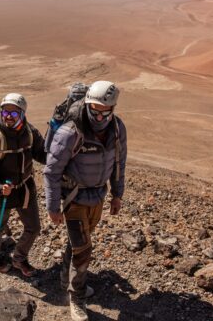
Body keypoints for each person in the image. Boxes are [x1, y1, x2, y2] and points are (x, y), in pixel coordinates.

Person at [43, 81, 127, 321]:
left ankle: (64, 279)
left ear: (113, 109)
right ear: (87, 104)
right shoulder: (71, 132)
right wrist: (52, 206)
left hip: (98, 196)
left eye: (105, 111)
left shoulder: (118, 129)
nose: (99, 116)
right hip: (74, 197)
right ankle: (77, 298)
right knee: (83, 249)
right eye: (94, 110)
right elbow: (51, 171)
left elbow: (119, 164)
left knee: (80, 241)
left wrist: (117, 194)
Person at [0, 93, 46, 277]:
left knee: (33, 227)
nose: (8, 116)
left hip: (24, 188)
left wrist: (59, 154)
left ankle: (19, 258)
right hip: (2, 191)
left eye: (13, 114)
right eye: (5, 112)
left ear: (22, 114)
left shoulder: (30, 133)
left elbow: (42, 154)